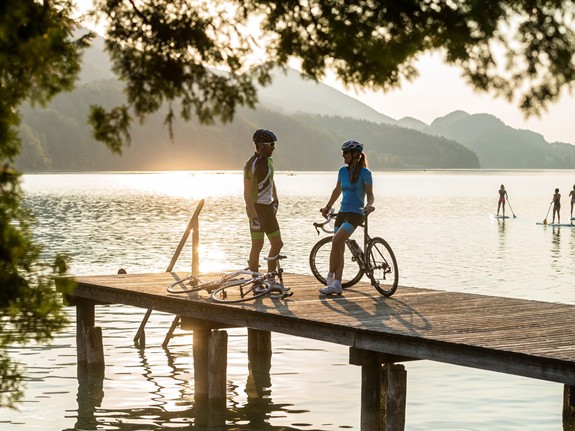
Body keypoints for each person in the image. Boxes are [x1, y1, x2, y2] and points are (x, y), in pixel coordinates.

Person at [319, 140, 374, 295]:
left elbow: (370, 194)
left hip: (356, 213)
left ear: (355, 154)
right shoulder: (342, 171)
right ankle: (337, 284)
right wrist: (327, 207)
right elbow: (337, 190)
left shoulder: (365, 173)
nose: (343, 156)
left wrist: (369, 205)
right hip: (342, 212)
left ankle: (329, 278)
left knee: (336, 240)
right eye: (342, 153)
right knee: (339, 247)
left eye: (345, 153)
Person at [243, 129, 284, 287]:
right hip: (255, 208)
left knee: (277, 243)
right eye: (271, 144)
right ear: (261, 145)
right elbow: (247, 193)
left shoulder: (269, 161)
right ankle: (255, 282)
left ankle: (271, 279)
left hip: (268, 208)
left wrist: (276, 199)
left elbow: (271, 180)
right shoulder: (251, 165)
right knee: (257, 245)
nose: (274, 147)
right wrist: (254, 216)